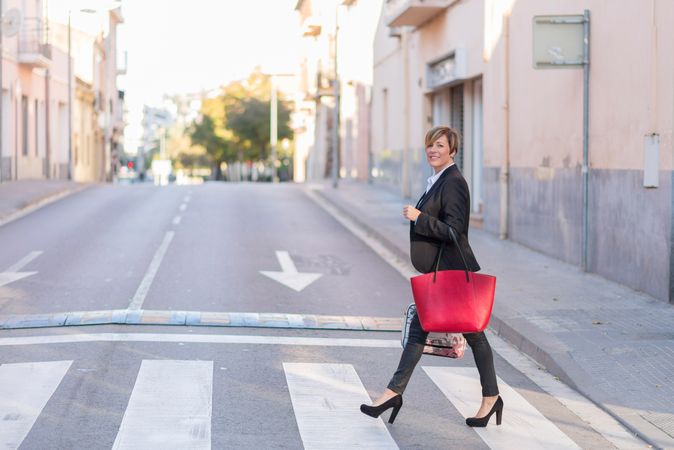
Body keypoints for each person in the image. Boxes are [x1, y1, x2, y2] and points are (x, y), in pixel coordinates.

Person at [360, 125, 503, 427]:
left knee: (473, 334)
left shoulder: (453, 182)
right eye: (430, 145)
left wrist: (419, 218)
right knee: (429, 331)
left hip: (449, 272)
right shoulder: (438, 179)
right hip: (440, 272)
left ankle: (489, 398)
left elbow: (455, 231)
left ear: (452, 151)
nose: (433, 150)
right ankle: (393, 392)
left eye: (440, 145)